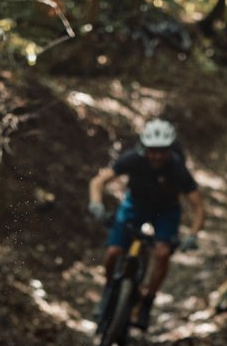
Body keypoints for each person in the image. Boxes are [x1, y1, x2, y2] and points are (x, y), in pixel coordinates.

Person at [87, 117, 206, 331]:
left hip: (167, 211)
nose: (157, 155)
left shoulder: (177, 168)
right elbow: (98, 181)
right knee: (114, 252)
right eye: (152, 150)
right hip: (135, 205)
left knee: (161, 253)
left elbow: (197, 206)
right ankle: (108, 291)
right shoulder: (133, 159)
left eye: (162, 150)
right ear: (144, 147)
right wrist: (96, 203)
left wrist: (193, 234)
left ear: (169, 149)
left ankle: (147, 302)